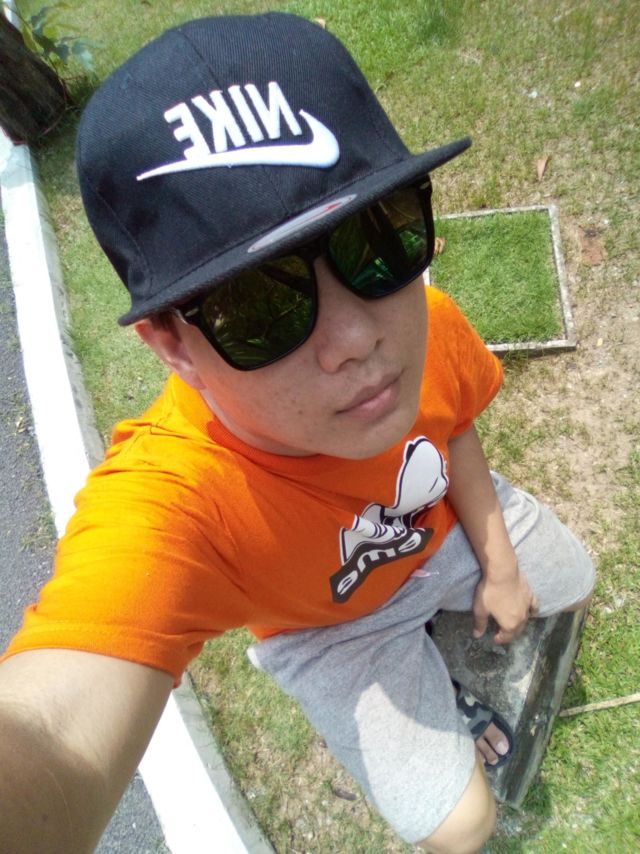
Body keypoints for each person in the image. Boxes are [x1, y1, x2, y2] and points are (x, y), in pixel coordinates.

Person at [0, 12, 595, 854]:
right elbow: (50, 729)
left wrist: (498, 566)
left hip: (438, 533)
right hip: (334, 628)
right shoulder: (177, 499)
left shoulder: (424, 321)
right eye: (257, 304)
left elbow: (454, 428)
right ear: (172, 345)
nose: (356, 339)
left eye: (376, 237)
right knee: (464, 829)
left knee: (570, 579)